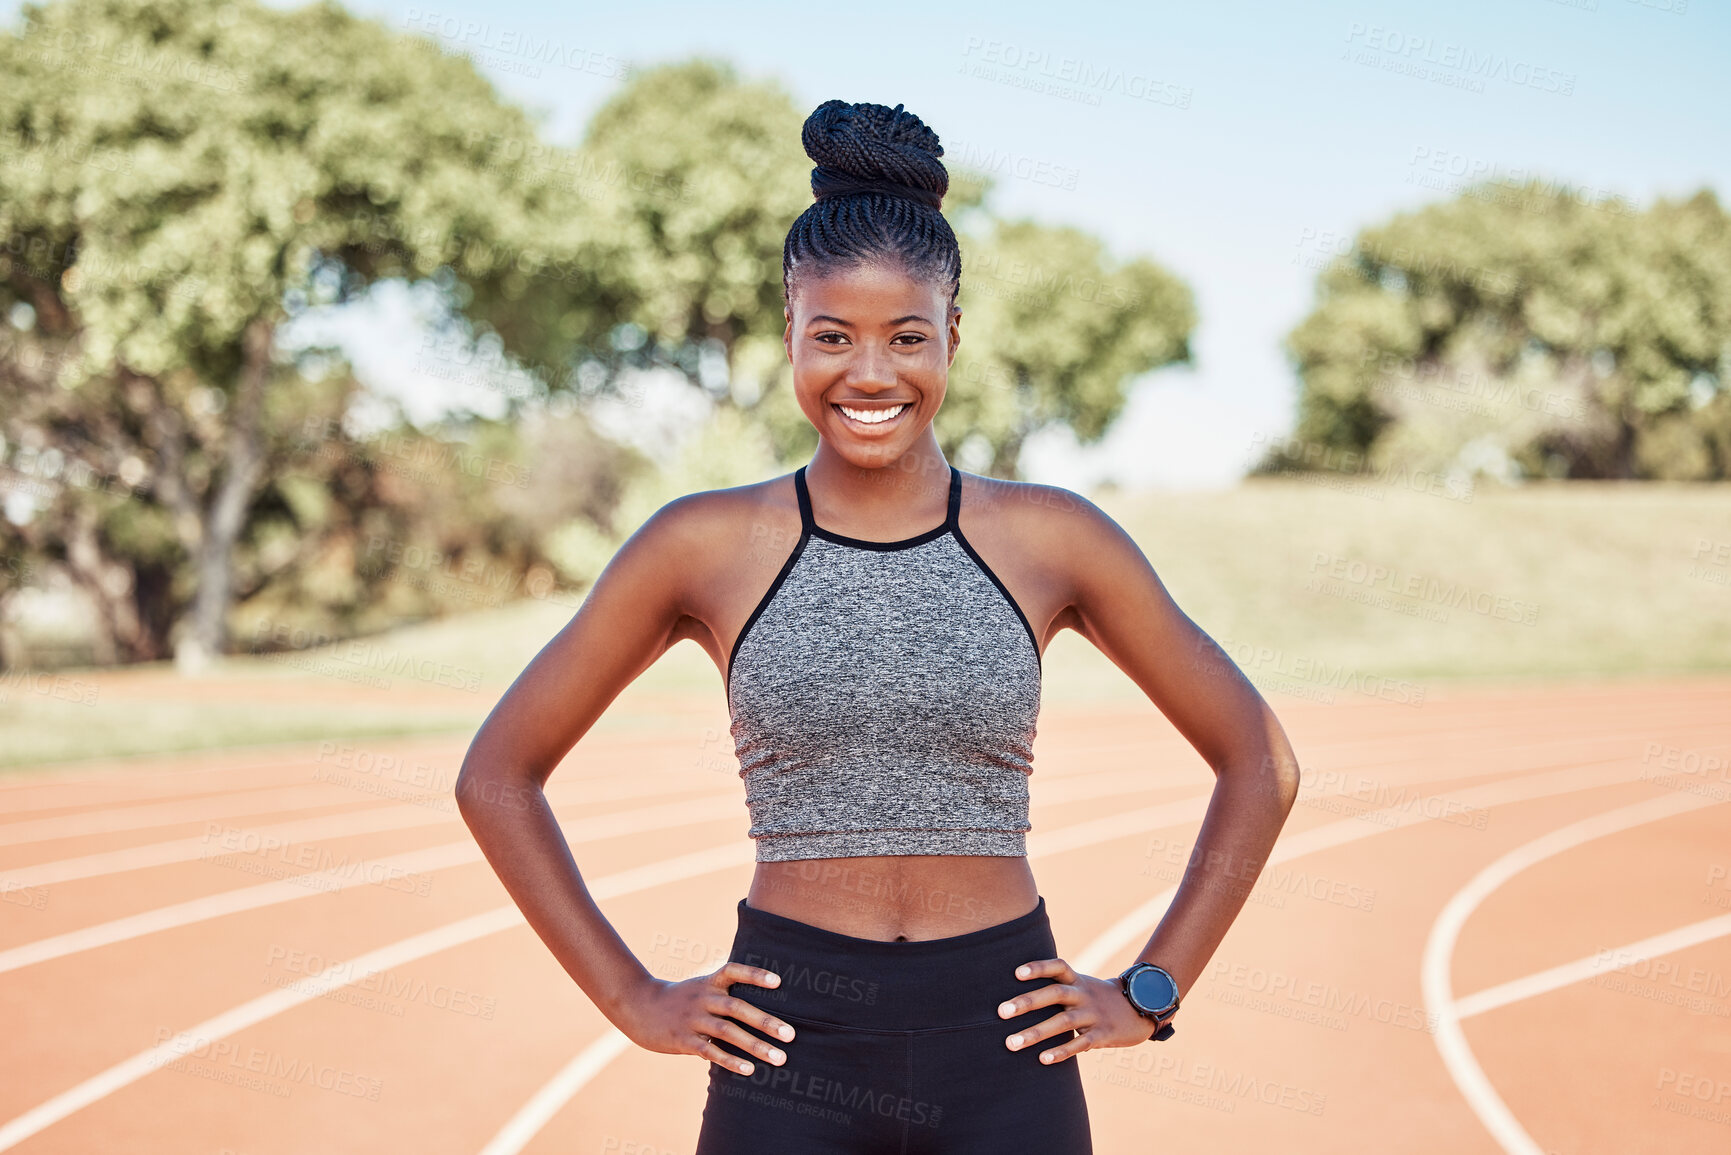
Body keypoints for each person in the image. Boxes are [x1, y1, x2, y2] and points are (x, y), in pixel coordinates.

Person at [456, 98, 1301, 1154]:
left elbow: (1259, 761)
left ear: (953, 332)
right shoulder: (703, 545)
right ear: (788, 337)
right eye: (833, 337)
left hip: (1005, 1039)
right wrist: (632, 997)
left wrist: (1152, 987)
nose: (870, 374)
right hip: (787, 1046)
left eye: (906, 336)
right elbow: (496, 774)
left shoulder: (1053, 540)